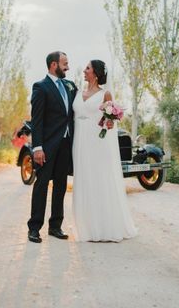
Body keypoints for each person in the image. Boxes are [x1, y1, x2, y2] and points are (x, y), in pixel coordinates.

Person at [72, 59, 137, 242]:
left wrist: (109, 121)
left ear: (96, 73)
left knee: (99, 179)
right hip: (80, 141)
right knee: (84, 179)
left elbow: (110, 122)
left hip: (97, 142)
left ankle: (105, 226)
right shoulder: (77, 92)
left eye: (87, 68)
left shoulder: (105, 94)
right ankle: (86, 227)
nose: (84, 71)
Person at [27, 51, 76, 243]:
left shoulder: (69, 86)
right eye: (65, 63)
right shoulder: (41, 87)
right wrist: (37, 147)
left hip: (65, 144)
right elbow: (37, 120)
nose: (68, 67)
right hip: (46, 146)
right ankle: (34, 228)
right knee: (41, 185)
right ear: (54, 65)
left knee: (61, 186)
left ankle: (55, 226)